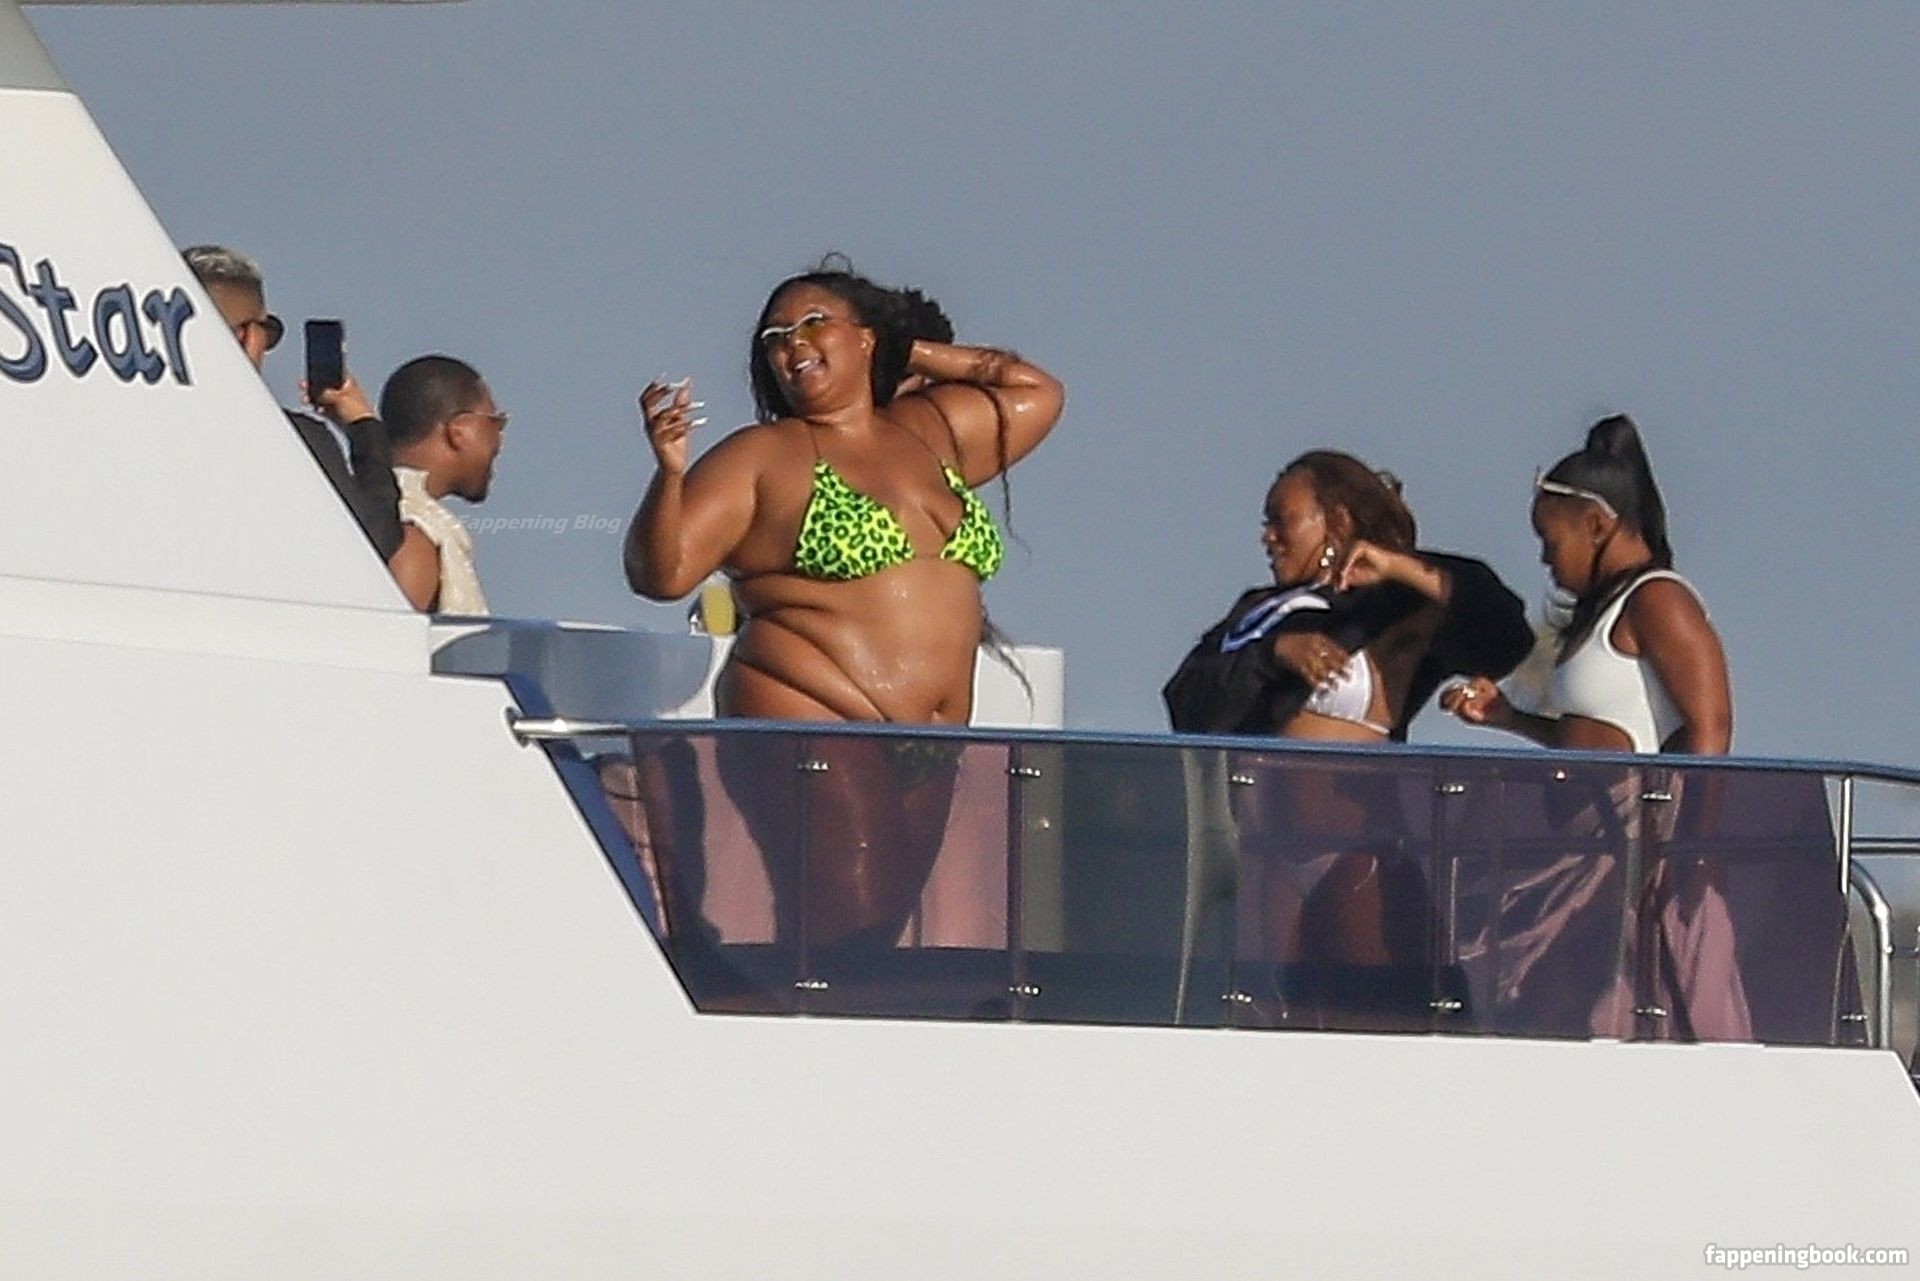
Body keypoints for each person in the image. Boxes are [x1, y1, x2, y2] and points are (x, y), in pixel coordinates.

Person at [622, 262, 1062, 950]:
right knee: (846, 933)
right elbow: (662, 572)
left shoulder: (931, 433)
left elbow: (1035, 390)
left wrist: (907, 347)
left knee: (867, 940)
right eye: (775, 338)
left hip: (929, 742)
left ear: (864, 339)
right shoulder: (764, 456)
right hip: (812, 714)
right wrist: (670, 473)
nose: (791, 344)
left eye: (813, 324)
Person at [1163, 451, 1533, 1025]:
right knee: (1270, 1016)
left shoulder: (1391, 608)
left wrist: (1398, 566)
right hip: (1267, 850)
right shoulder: (1258, 613)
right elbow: (1188, 702)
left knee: (1389, 1014)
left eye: (1281, 519)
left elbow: (1506, 632)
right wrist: (1274, 654)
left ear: (1335, 520)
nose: (1267, 536)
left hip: (1357, 849)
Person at [1441, 414, 1755, 1039]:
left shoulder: (1659, 599)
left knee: (1627, 1012)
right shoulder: (1604, 611)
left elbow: (1711, 723)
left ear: (1597, 525)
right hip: (1586, 856)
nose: (1544, 559)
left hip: (1642, 850)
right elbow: (1593, 734)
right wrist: (1509, 718)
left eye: (1550, 541)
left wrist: (1690, 855)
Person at [182, 245, 403, 560]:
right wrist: (363, 426)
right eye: (268, 329)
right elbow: (372, 539)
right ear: (245, 336)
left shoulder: (134, 423)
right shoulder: (291, 439)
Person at [377, 355, 506, 614]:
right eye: (496, 422)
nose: (499, 440)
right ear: (459, 429)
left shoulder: (374, 507)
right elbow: (388, 635)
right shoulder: (413, 537)